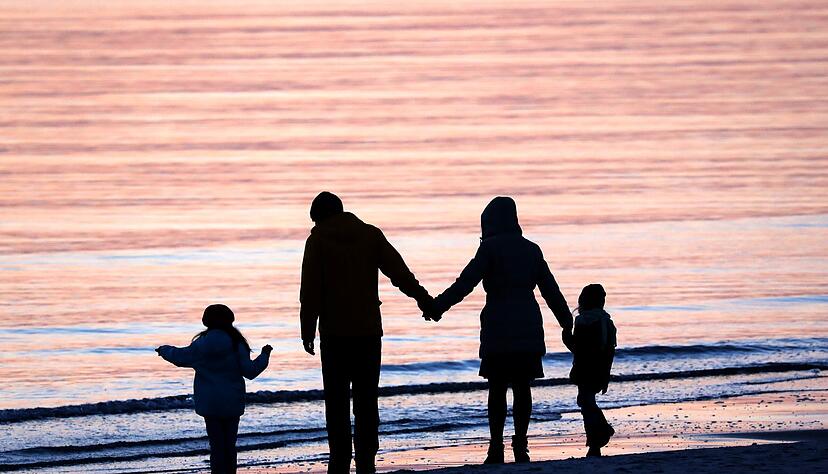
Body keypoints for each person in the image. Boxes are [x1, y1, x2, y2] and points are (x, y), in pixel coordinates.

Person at [425, 196, 572, 464]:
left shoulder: (489, 249)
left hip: (498, 325)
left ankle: (495, 446)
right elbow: (551, 290)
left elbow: (465, 283)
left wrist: (438, 307)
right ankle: (521, 444)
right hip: (528, 323)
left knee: (497, 388)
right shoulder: (532, 250)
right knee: (522, 387)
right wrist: (566, 322)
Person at [299, 191, 434, 474]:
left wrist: (307, 329)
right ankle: (367, 458)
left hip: (334, 334)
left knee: (336, 401)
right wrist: (423, 298)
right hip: (368, 331)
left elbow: (310, 290)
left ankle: (339, 458)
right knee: (366, 399)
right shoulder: (370, 235)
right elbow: (399, 273)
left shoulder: (318, 239)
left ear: (319, 216)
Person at [156, 304, 272, 474]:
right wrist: (264, 355)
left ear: (206, 321)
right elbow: (251, 371)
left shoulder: (201, 344)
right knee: (229, 445)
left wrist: (164, 350)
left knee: (217, 446)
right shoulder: (237, 343)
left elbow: (180, 356)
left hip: (210, 402)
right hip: (232, 401)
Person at [563, 283, 617, 457]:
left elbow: (580, 349)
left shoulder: (583, 321)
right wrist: (606, 375)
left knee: (586, 403)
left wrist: (567, 340)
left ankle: (600, 433)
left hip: (585, 368)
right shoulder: (607, 322)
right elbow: (609, 351)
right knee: (586, 402)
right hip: (599, 368)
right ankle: (595, 443)